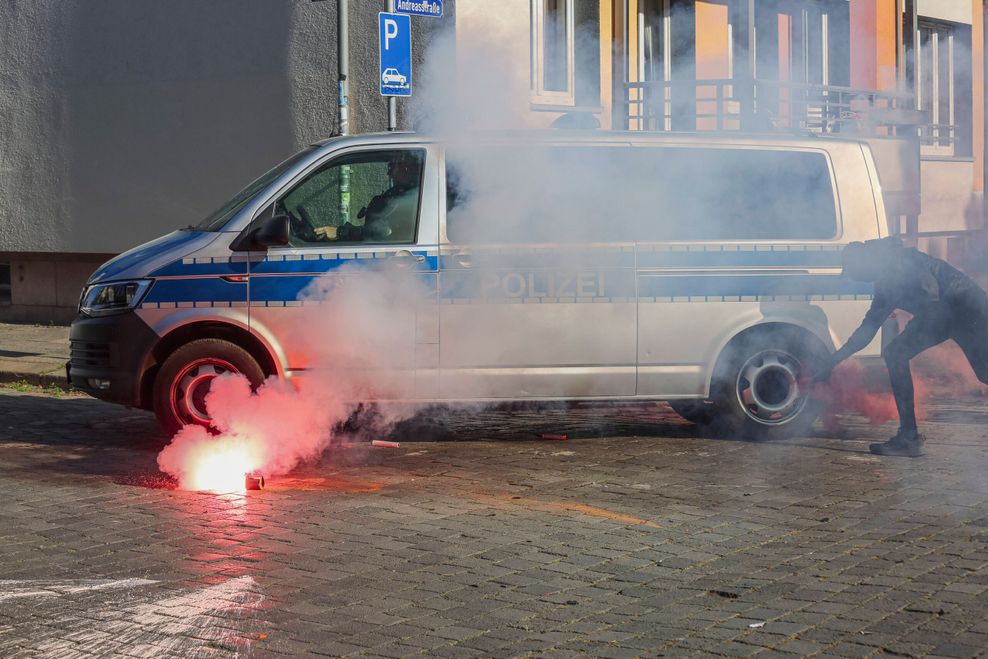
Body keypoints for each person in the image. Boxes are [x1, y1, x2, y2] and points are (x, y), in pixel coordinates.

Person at [813, 237, 988, 457]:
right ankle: (908, 437)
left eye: (854, 272)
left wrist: (831, 362)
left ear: (864, 263)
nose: (856, 278)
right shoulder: (886, 275)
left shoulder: (894, 268)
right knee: (896, 354)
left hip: (966, 309)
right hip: (953, 312)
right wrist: (832, 362)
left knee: (982, 372)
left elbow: (933, 291)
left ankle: (908, 438)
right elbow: (866, 332)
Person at [315, 152, 420, 242]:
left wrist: (340, 232)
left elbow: (381, 233)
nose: (389, 173)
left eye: (392, 166)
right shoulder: (400, 193)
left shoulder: (414, 197)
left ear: (406, 168)